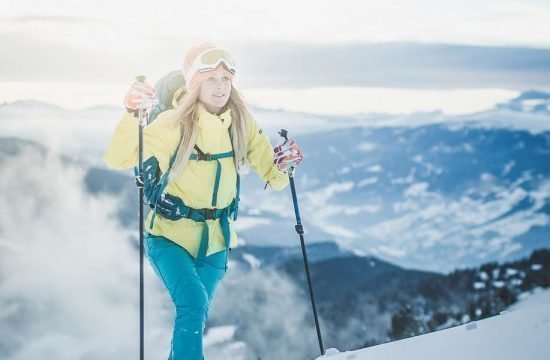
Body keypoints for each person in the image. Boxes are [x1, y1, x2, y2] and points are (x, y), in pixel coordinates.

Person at [104, 42, 303, 360]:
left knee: (192, 316)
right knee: (193, 305)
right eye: (211, 78)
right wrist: (131, 114)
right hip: (169, 237)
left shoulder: (242, 122)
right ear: (193, 81)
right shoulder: (173, 122)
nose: (220, 86)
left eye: (226, 78)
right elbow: (117, 158)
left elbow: (273, 176)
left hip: (217, 243)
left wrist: (283, 165)